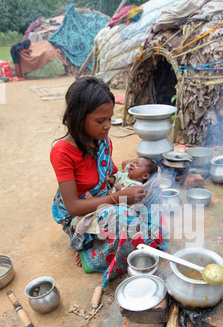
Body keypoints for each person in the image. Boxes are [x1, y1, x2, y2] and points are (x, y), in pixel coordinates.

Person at [50, 76, 167, 287]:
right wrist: (119, 197)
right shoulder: (62, 152)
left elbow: (109, 174)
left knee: (155, 189)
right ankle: (93, 256)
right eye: (100, 121)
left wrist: (128, 184)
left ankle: (141, 236)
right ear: (78, 117)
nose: (107, 126)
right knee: (126, 218)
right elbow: (73, 206)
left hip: (107, 196)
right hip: (80, 213)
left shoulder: (103, 142)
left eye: (110, 119)